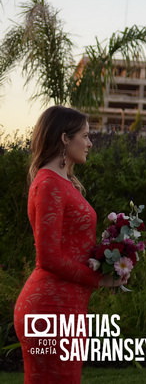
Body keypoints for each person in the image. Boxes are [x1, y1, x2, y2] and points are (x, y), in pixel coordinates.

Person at [14, 106, 123, 383]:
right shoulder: (49, 184)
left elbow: (72, 246)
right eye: (84, 136)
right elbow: (48, 258)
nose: (89, 143)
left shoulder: (63, 182)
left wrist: (110, 259)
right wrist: (100, 281)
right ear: (64, 138)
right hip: (50, 307)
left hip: (69, 306)